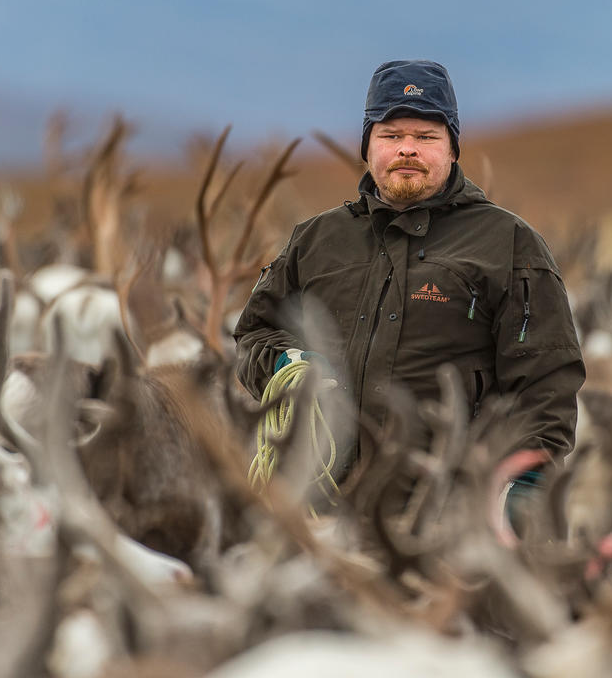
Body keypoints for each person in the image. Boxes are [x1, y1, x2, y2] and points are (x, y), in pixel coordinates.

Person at [233, 59, 585, 528]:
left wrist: (529, 490)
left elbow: (547, 384)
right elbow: (254, 335)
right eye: (392, 135)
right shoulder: (315, 240)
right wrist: (284, 365)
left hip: (446, 519)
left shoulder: (510, 245)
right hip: (313, 515)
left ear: (453, 149)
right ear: (368, 146)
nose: (407, 150)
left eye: (426, 137)